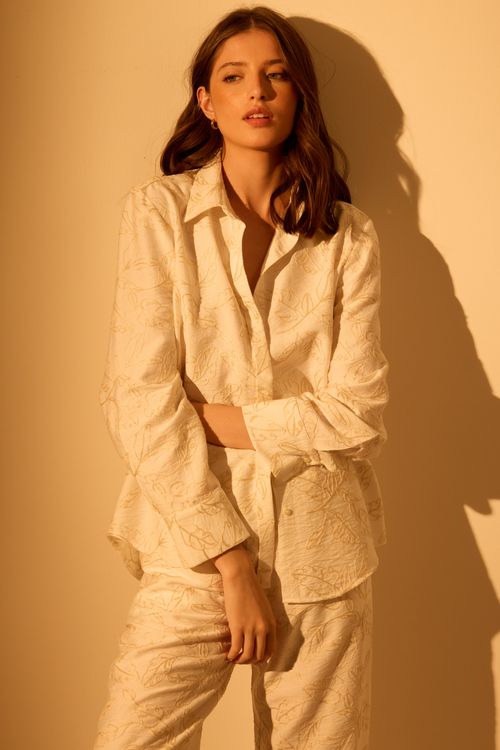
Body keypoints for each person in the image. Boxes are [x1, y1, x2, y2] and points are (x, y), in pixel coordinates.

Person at [93, 5, 389, 749]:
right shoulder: (158, 215)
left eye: (276, 75)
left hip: (322, 552)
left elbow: (359, 412)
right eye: (234, 77)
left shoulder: (348, 236)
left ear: (298, 94)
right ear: (207, 100)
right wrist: (232, 565)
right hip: (192, 545)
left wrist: (214, 419)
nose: (256, 91)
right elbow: (138, 400)